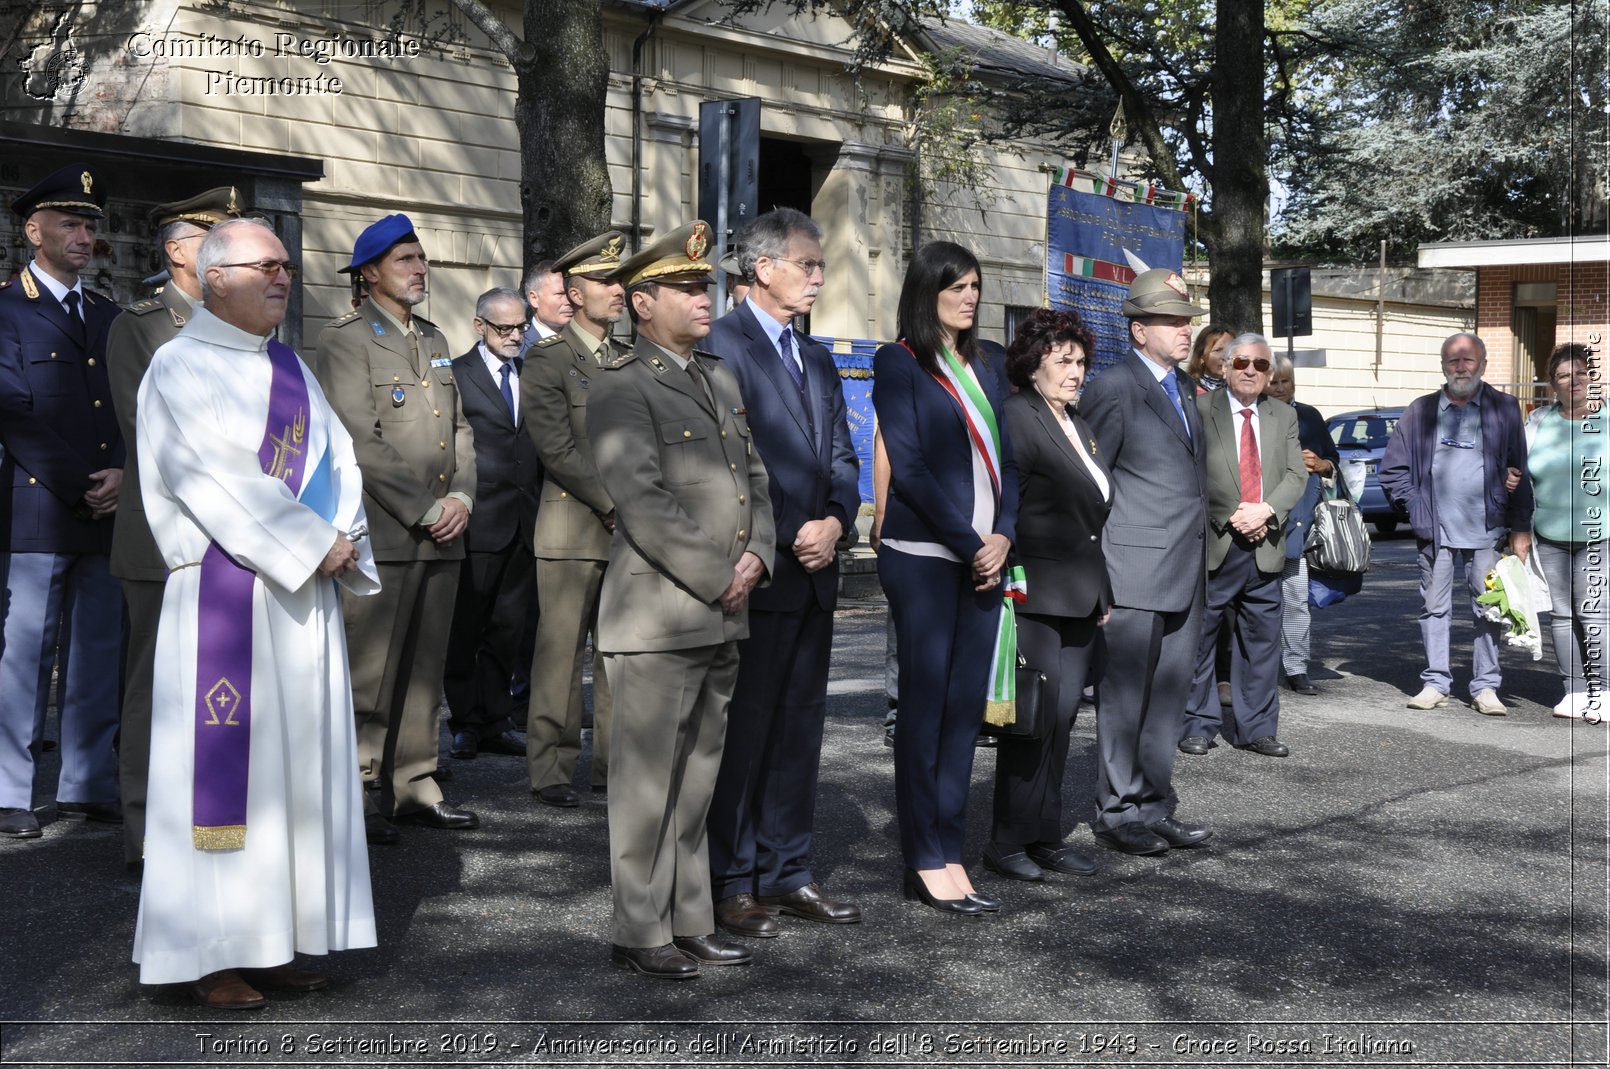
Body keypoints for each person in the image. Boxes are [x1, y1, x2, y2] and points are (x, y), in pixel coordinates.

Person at [130, 217, 378, 1009]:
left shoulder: (290, 368)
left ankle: (275, 938)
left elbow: (341, 461)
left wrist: (342, 536)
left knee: (293, 775)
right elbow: (214, 477)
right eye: (265, 265)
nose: (283, 276)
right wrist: (315, 542)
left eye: (286, 265)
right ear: (214, 276)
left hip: (299, 601)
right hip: (225, 600)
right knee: (229, 780)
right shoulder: (177, 366)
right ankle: (209, 951)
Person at [587, 220, 775, 978]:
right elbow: (641, 499)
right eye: (688, 289)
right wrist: (719, 572)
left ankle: (689, 916)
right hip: (659, 614)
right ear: (642, 302)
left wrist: (759, 549)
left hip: (722, 608)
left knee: (698, 778)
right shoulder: (621, 386)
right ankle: (638, 927)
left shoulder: (719, 376)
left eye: (706, 287)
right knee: (645, 786)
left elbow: (754, 477)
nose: (706, 298)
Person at [703, 208, 862, 937]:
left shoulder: (817, 356)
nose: (819, 278)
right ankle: (732, 879)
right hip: (759, 568)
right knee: (745, 730)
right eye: (808, 265)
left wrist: (835, 518)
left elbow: (843, 459)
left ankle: (788, 868)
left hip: (816, 568)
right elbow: (733, 463)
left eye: (819, 266)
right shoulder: (719, 346)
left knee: (800, 728)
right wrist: (789, 528)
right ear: (762, 268)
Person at [315, 213, 479, 842]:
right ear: (369, 273)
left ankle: (413, 783)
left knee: (424, 665)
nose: (420, 269)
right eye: (405, 260)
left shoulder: (434, 338)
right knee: (372, 667)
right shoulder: (346, 339)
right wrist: (425, 507)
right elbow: (359, 437)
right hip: (386, 530)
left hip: (445, 526)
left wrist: (462, 493)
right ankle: (356, 788)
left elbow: (459, 428)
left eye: (421, 258)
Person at [874, 241, 1017, 916]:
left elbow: (1009, 467)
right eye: (956, 286)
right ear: (926, 291)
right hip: (926, 557)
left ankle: (952, 849)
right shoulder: (898, 362)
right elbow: (911, 467)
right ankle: (922, 856)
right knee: (925, 711)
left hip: (985, 558)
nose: (969, 297)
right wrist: (970, 544)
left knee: (965, 717)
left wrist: (1003, 536)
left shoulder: (986, 364)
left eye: (976, 286)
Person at [106, 185, 243, 868]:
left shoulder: (244, 322)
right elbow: (149, 432)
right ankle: (145, 835)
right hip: (165, 540)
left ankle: (211, 827)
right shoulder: (142, 322)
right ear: (179, 250)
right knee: (153, 688)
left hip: (236, 540)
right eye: (212, 236)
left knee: (220, 688)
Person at [0, 164, 124, 840]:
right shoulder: (7, 309)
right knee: (25, 654)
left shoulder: (107, 315)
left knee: (96, 649)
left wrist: (125, 474)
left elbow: (134, 409)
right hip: (38, 510)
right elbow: (14, 412)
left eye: (91, 224)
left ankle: (87, 782)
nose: (84, 234)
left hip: (106, 511)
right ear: (33, 229)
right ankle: (10, 789)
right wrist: (85, 480)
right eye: (71, 223)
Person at [1078, 268, 1212, 857]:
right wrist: (1097, 575)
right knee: (1125, 696)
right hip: (1131, 570)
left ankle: (1154, 804)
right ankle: (1116, 812)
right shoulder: (1112, 388)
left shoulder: (1184, 389)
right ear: (1138, 331)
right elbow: (1092, 485)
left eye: (1187, 321)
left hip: (1185, 568)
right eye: (1173, 322)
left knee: (1168, 697)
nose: (1186, 331)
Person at [984, 308, 1109, 883]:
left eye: (1081, 362)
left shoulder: (1077, 423)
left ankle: (1046, 835)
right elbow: (1006, 505)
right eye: (1064, 361)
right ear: (1033, 364)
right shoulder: (1017, 416)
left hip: (1081, 595)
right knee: (1032, 720)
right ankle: (1008, 839)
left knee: (1060, 722)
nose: (1076, 372)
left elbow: (1092, 518)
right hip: (1033, 592)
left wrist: (1102, 588)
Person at [523, 231, 627, 806]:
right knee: (561, 654)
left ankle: (613, 766)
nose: (618, 291)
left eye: (619, 280)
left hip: (628, 530)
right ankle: (551, 769)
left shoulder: (624, 356)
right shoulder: (549, 358)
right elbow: (555, 447)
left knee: (617, 654)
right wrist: (613, 503)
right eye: (606, 282)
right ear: (574, 291)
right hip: (573, 529)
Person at [1379, 332, 1533, 716]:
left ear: (1482, 364)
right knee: (1433, 608)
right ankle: (1435, 682)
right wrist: (1415, 508)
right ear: (1442, 365)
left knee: (1489, 610)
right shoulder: (1420, 411)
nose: (1460, 367)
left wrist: (1520, 527)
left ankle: (1485, 687)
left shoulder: (1505, 408)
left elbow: (1520, 469)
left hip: (1488, 529)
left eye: (1468, 360)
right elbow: (1393, 469)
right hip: (1437, 532)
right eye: (1453, 360)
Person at [1178, 335, 1306, 759]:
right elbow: (1191, 471)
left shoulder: (1283, 415)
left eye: (1261, 365)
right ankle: (1198, 723)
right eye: (1242, 363)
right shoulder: (1200, 409)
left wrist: (1264, 511)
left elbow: (1295, 476)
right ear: (1225, 366)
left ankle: (1257, 728)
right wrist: (1232, 513)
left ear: (1270, 373)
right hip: (1217, 542)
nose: (1251, 371)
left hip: (1265, 543)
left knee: (1262, 643)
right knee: (1201, 638)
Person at [443, 288, 541, 760]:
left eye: (521, 326)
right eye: (504, 328)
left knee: (509, 627)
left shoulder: (533, 370)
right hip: (479, 517)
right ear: (479, 326)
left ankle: (496, 719)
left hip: (526, 517)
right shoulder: (457, 375)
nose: (515, 336)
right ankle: (464, 720)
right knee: (468, 624)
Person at [1525, 343, 1607, 722]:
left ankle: (1602, 691)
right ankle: (1573, 691)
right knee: (1561, 615)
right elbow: (1519, 473)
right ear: (1551, 384)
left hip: (1600, 535)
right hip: (1549, 535)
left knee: (1594, 615)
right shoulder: (1539, 422)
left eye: (1580, 373)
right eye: (1562, 375)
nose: (1572, 381)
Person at [1264, 356, 1340, 696]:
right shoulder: (1255, 414)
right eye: (1274, 382)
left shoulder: (1310, 416)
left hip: (1299, 521)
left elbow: (1333, 463)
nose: (1280, 388)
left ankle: (1296, 667)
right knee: (1257, 600)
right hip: (1260, 519)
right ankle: (1257, 668)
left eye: (1286, 382)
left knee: (1295, 598)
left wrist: (1322, 464)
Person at [522, 259, 574, 348]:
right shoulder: (519, 350)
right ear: (534, 298)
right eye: (560, 294)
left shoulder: (584, 343)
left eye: (571, 293)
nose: (569, 301)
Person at [1187, 323, 1234, 395]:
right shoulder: (1188, 392)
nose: (1225, 356)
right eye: (1218, 350)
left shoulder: (1239, 392)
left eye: (1230, 350)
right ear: (1201, 357)